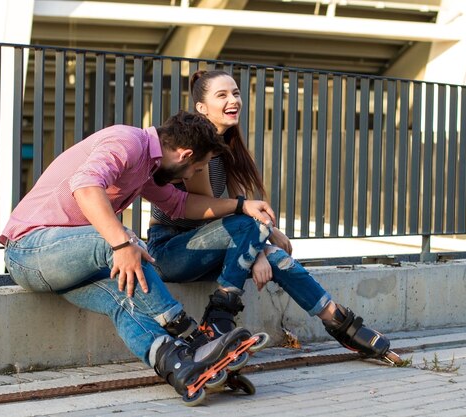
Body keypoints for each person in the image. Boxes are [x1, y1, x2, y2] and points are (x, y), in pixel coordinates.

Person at [0, 111, 277, 399]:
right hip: (29, 250)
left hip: (71, 263)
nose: (193, 176)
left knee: (123, 294)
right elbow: (85, 185)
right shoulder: (126, 141)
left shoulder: (148, 166)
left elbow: (180, 204)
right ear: (185, 155)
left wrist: (240, 205)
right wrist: (121, 244)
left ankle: (178, 364)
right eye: (197, 168)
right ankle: (193, 336)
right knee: (121, 241)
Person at [147, 71, 398, 363]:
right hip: (170, 250)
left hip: (207, 246)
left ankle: (338, 321)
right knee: (256, 237)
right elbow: (212, 214)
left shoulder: (227, 147)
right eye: (222, 95)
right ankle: (219, 317)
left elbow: (242, 206)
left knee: (278, 255)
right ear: (202, 108)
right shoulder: (196, 150)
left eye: (236, 93)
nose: (233, 100)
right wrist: (259, 250)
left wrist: (262, 240)